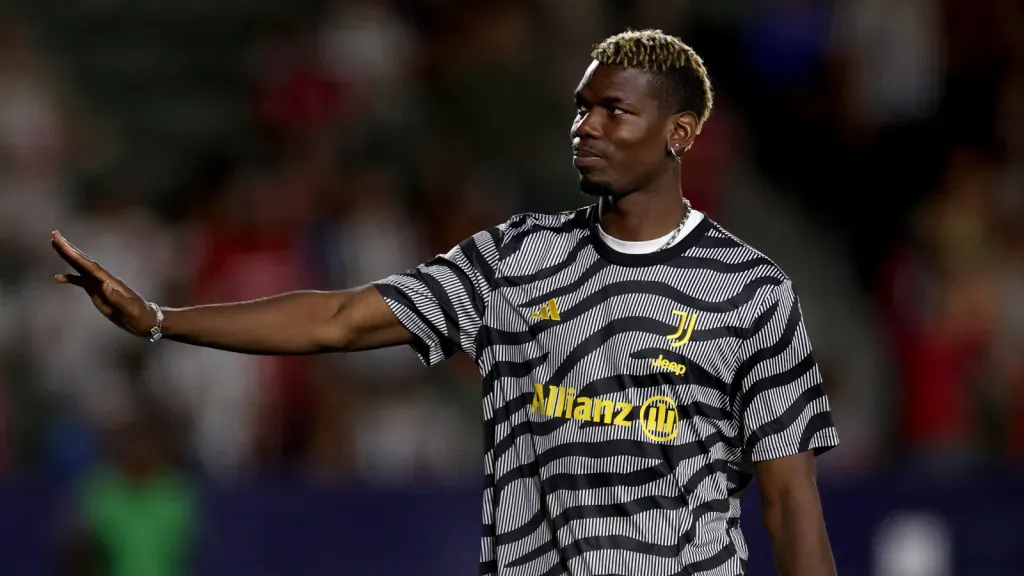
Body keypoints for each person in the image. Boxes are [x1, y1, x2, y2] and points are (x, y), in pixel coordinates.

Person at [52, 29, 839, 576]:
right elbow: (341, 318)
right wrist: (160, 321)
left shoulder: (752, 294)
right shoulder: (516, 258)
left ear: (679, 134)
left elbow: (789, 502)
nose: (585, 127)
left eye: (614, 111)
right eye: (580, 107)